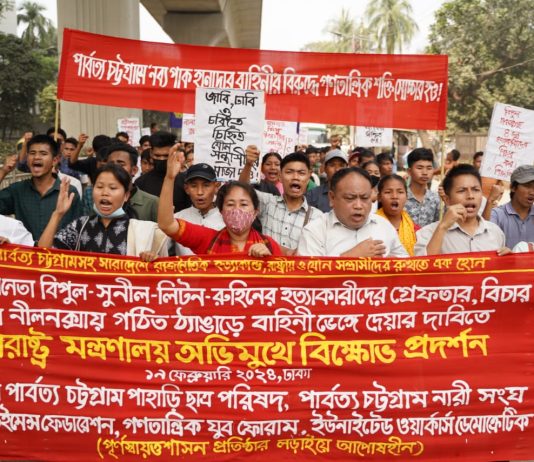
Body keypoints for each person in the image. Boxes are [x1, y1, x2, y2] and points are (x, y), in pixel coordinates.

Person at [158, 149, 281, 256]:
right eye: (230, 204)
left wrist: (270, 259)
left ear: (255, 212)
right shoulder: (208, 240)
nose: (236, 210)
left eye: (243, 204)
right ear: (221, 212)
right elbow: (167, 225)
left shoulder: (269, 245)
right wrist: (169, 178)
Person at [38, 163, 168, 261]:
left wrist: (152, 259)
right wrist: (57, 214)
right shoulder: (79, 226)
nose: (105, 193)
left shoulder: (142, 231)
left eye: (113, 188)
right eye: (99, 187)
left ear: (126, 196)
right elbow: (42, 255)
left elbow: (161, 270)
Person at [297, 167, 408, 257]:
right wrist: (350, 257)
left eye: (365, 198)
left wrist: (387, 264)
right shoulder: (314, 232)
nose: (358, 206)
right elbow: (309, 275)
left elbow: (407, 267)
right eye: (350, 198)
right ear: (332, 198)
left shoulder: (384, 226)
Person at [239, 147, 323, 254]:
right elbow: (243, 191)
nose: (295, 177)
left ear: (308, 177)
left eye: (301, 173)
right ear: (280, 176)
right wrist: (248, 164)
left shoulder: (317, 217)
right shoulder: (268, 203)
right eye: (289, 172)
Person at [0, 134, 82, 241]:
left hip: (60, 251)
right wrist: (3, 171)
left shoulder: (69, 192)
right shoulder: (17, 190)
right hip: (26, 252)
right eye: (32, 153)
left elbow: (79, 232)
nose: (36, 157)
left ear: (55, 160)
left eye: (43, 153)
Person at [414, 164, 508, 256]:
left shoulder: (496, 232)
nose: (470, 196)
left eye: (475, 190)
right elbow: (423, 264)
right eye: (462, 190)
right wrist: (442, 227)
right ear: (447, 199)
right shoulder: (428, 233)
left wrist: (509, 259)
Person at [174, 162, 225, 255]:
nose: (200, 192)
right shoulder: (177, 219)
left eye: (206, 185)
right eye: (194, 186)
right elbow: (161, 248)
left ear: (216, 186)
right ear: (186, 189)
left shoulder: (227, 218)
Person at [135, 131, 191, 212]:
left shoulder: (185, 181)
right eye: (157, 155)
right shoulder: (141, 182)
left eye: (166, 156)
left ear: (174, 153)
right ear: (151, 153)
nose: (161, 159)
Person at [105, 143, 159, 222]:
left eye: (121, 165)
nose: (115, 169)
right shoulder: (101, 200)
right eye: (111, 165)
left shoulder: (152, 203)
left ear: (134, 170)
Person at [490, 165, 534, 249]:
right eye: (527, 186)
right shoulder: (497, 215)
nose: (532, 192)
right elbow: (486, 239)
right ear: (513, 187)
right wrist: (490, 201)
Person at [376, 174, 419, 256]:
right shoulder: (371, 226)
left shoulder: (416, 231)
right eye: (388, 192)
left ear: (406, 196)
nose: (395, 196)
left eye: (400, 192)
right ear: (379, 197)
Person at [405, 148, 440, 227]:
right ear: (409, 171)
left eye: (429, 168)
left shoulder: (436, 198)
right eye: (419, 168)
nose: (425, 173)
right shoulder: (401, 197)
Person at [305, 148, 347, 213]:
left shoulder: (355, 194)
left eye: (341, 165)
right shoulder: (313, 195)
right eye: (332, 165)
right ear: (325, 168)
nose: (337, 169)